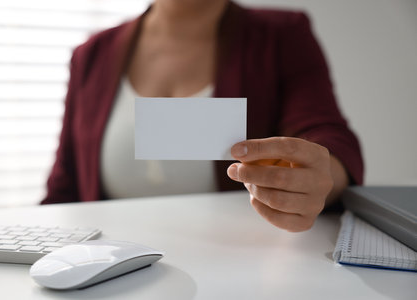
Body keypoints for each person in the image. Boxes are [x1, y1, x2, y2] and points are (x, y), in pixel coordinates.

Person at [41, 0, 364, 232]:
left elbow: (325, 133)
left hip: (237, 260)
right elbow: (64, 183)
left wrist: (322, 177)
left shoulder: (281, 34)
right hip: (106, 266)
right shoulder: (92, 53)